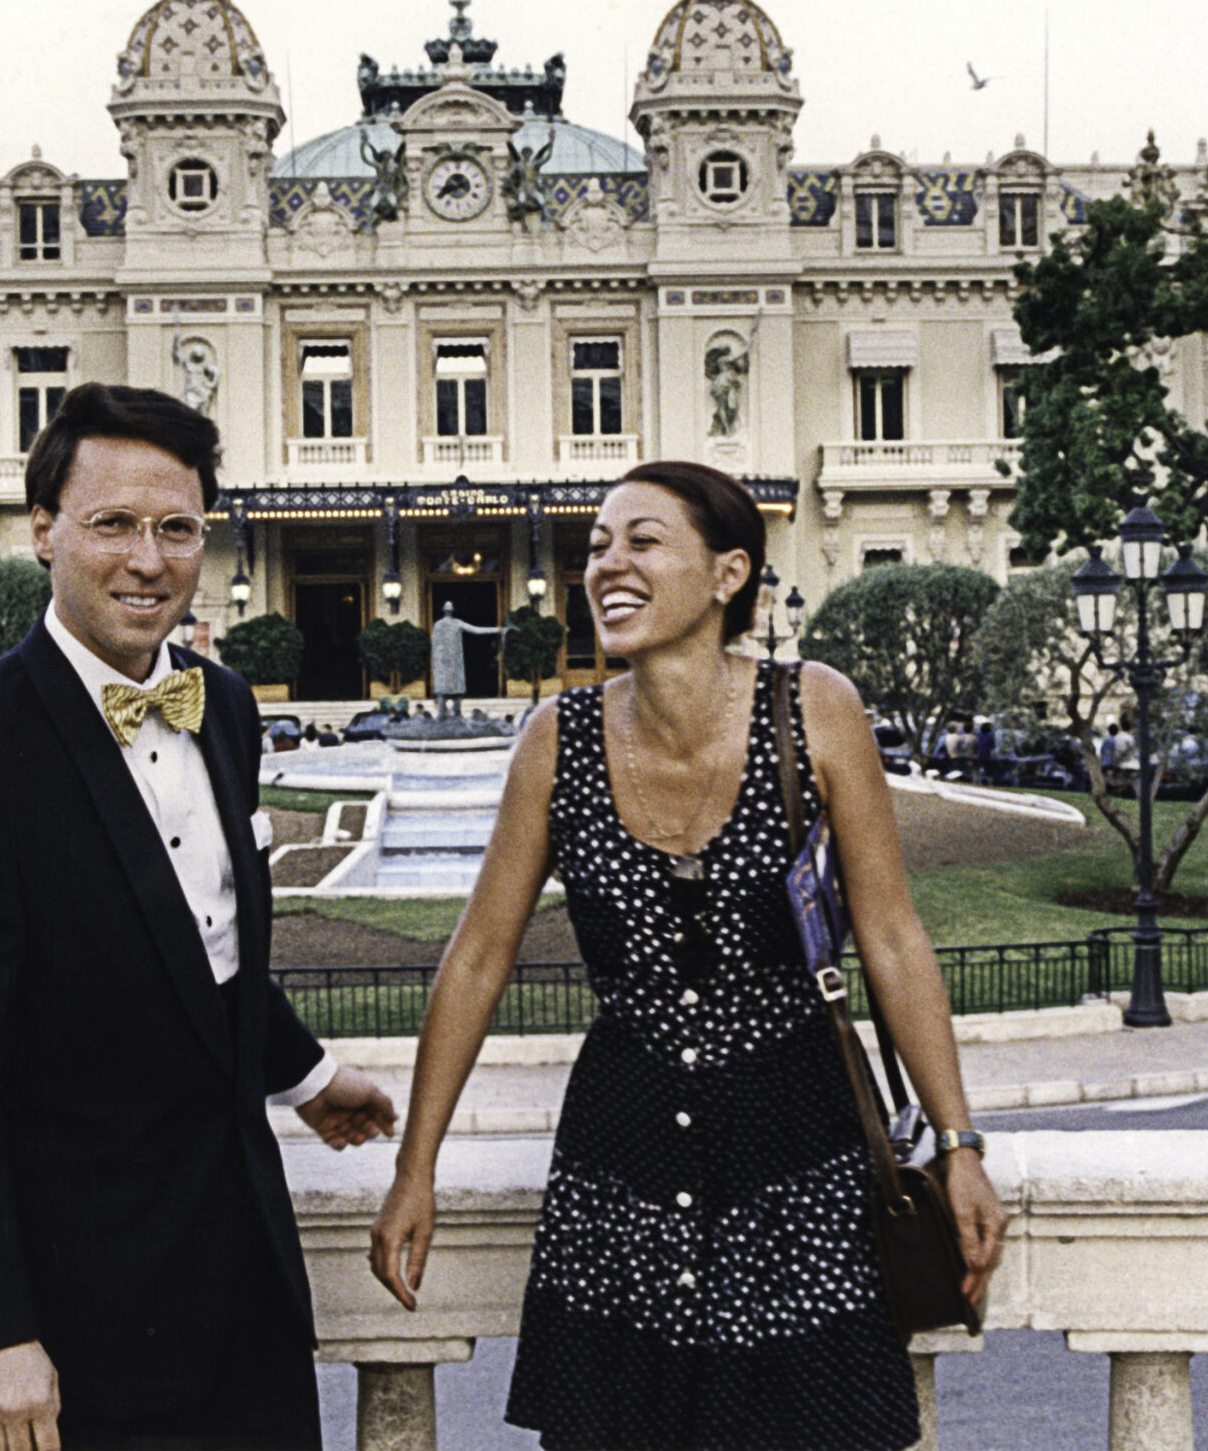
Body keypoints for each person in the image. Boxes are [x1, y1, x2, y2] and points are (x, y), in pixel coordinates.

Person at [369, 461, 1006, 1451]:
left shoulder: (813, 709)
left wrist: (958, 1147)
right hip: (617, 1167)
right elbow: (477, 958)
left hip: (797, 1156)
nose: (606, 565)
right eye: (596, 546)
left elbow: (890, 937)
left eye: (642, 540)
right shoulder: (556, 738)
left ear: (726, 574)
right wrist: (416, 1168)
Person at [0, 383, 396, 1451]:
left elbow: (197, 945)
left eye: (175, 527)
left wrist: (300, 1073)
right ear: (43, 530)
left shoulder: (226, 704)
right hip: (68, 1338)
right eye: (110, 524)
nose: (146, 560)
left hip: (243, 1291)